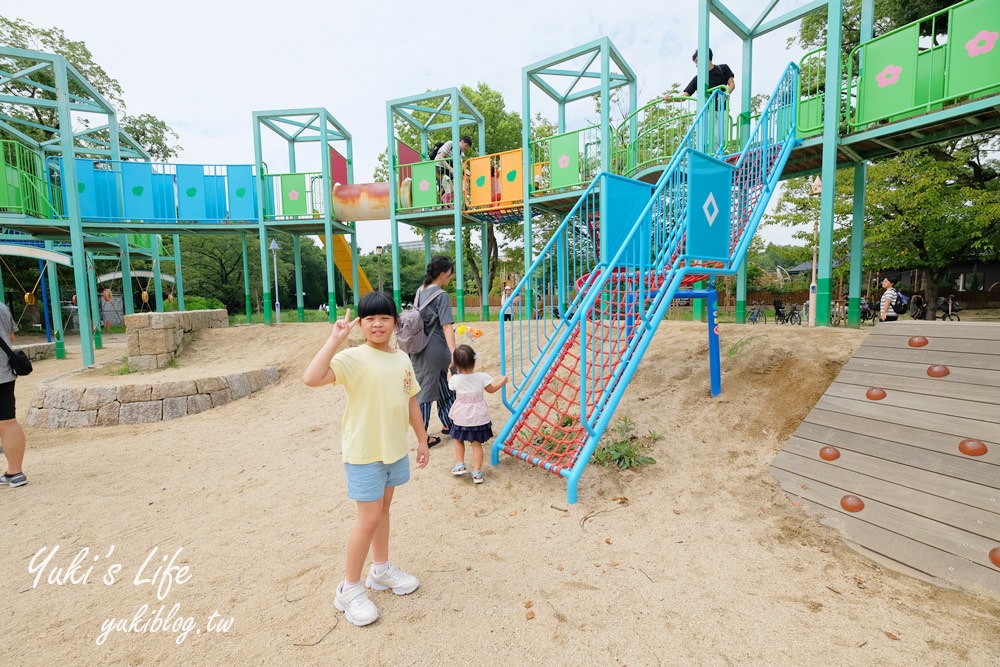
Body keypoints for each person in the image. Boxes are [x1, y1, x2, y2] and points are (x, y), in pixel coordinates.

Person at [302, 291, 431, 627]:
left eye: (384, 318)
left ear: (395, 322)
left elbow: (411, 401)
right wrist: (334, 340)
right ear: (360, 323)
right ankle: (349, 588)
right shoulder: (352, 358)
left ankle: (381, 569)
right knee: (368, 519)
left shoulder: (402, 358)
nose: (377, 324)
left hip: (393, 450)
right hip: (364, 453)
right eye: (370, 318)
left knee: (384, 511)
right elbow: (311, 378)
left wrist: (422, 439)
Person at [409, 256, 457, 447]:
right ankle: (424, 437)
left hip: (418, 348)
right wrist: (454, 353)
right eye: (450, 275)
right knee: (430, 393)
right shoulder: (441, 295)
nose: (450, 278)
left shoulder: (420, 291)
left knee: (441, 387)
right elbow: (446, 327)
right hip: (436, 348)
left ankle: (450, 424)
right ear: (444, 274)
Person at [447, 344, 507, 484]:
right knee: (476, 444)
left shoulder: (456, 379)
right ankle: (477, 472)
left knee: (458, 440)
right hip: (478, 417)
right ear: (474, 361)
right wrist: (503, 381)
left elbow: (450, 384)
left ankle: (460, 464)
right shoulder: (481, 377)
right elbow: (491, 389)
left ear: (456, 364)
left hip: (461, 417)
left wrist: (449, 374)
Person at [0, 301, 26, 488]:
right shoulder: (1, 307)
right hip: (3, 374)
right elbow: (11, 337)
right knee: (8, 421)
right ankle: (15, 472)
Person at [435, 136, 472, 200]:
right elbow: (440, 157)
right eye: (466, 146)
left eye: (467, 147)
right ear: (462, 142)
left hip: (447, 170)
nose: (466, 148)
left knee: (450, 188)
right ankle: (442, 203)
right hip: (439, 168)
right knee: (447, 186)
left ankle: (443, 200)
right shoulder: (450, 144)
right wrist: (450, 168)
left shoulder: (460, 154)